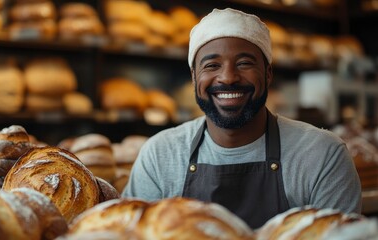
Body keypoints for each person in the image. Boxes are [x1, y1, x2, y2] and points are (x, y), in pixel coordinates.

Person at [122, 8, 362, 229]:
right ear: (195, 77)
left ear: (268, 74)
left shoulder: (321, 155)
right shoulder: (159, 155)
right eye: (212, 65)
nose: (228, 77)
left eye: (244, 63)